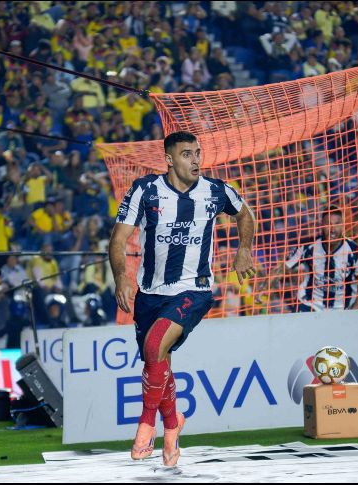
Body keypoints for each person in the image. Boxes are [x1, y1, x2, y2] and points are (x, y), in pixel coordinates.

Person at [109, 131, 256, 466]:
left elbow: (245, 214)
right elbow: (118, 239)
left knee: (154, 345)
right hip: (150, 294)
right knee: (157, 362)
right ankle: (173, 427)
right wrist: (121, 277)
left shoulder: (215, 191)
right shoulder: (145, 190)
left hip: (195, 289)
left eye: (198, 153)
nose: (195, 161)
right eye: (187, 154)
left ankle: (146, 426)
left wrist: (243, 248)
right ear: (169, 159)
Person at [258, 207, 358, 311]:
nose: (332, 229)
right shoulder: (308, 247)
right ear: (322, 226)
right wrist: (265, 287)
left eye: (336, 224)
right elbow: (282, 268)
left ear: (342, 226)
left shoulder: (355, 252)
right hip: (310, 305)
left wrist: (354, 311)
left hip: (341, 310)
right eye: (328, 224)